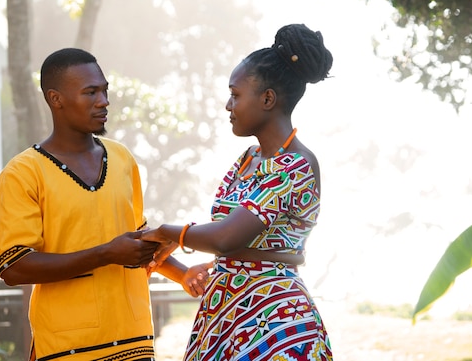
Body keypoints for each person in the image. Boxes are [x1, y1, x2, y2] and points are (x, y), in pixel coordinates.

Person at [0, 48, 209, 361]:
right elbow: (14, 267)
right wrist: (105, 254)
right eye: (90, 92)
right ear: (56, 99)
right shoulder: (22, 172)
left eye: (105, 90)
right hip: (68, 347)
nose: (104, 100)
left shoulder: (122, 159)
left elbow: (134, 239)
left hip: (133, 340)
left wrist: (182, 273)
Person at [142, 23, 334, 361]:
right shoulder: (248, 159)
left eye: (235, 94)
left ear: (268, 99)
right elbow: (233, 240)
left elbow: (226, 236)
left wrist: (165, 233)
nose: (228, 105)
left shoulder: (296, 164)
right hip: (225, 314)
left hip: (275, 321)